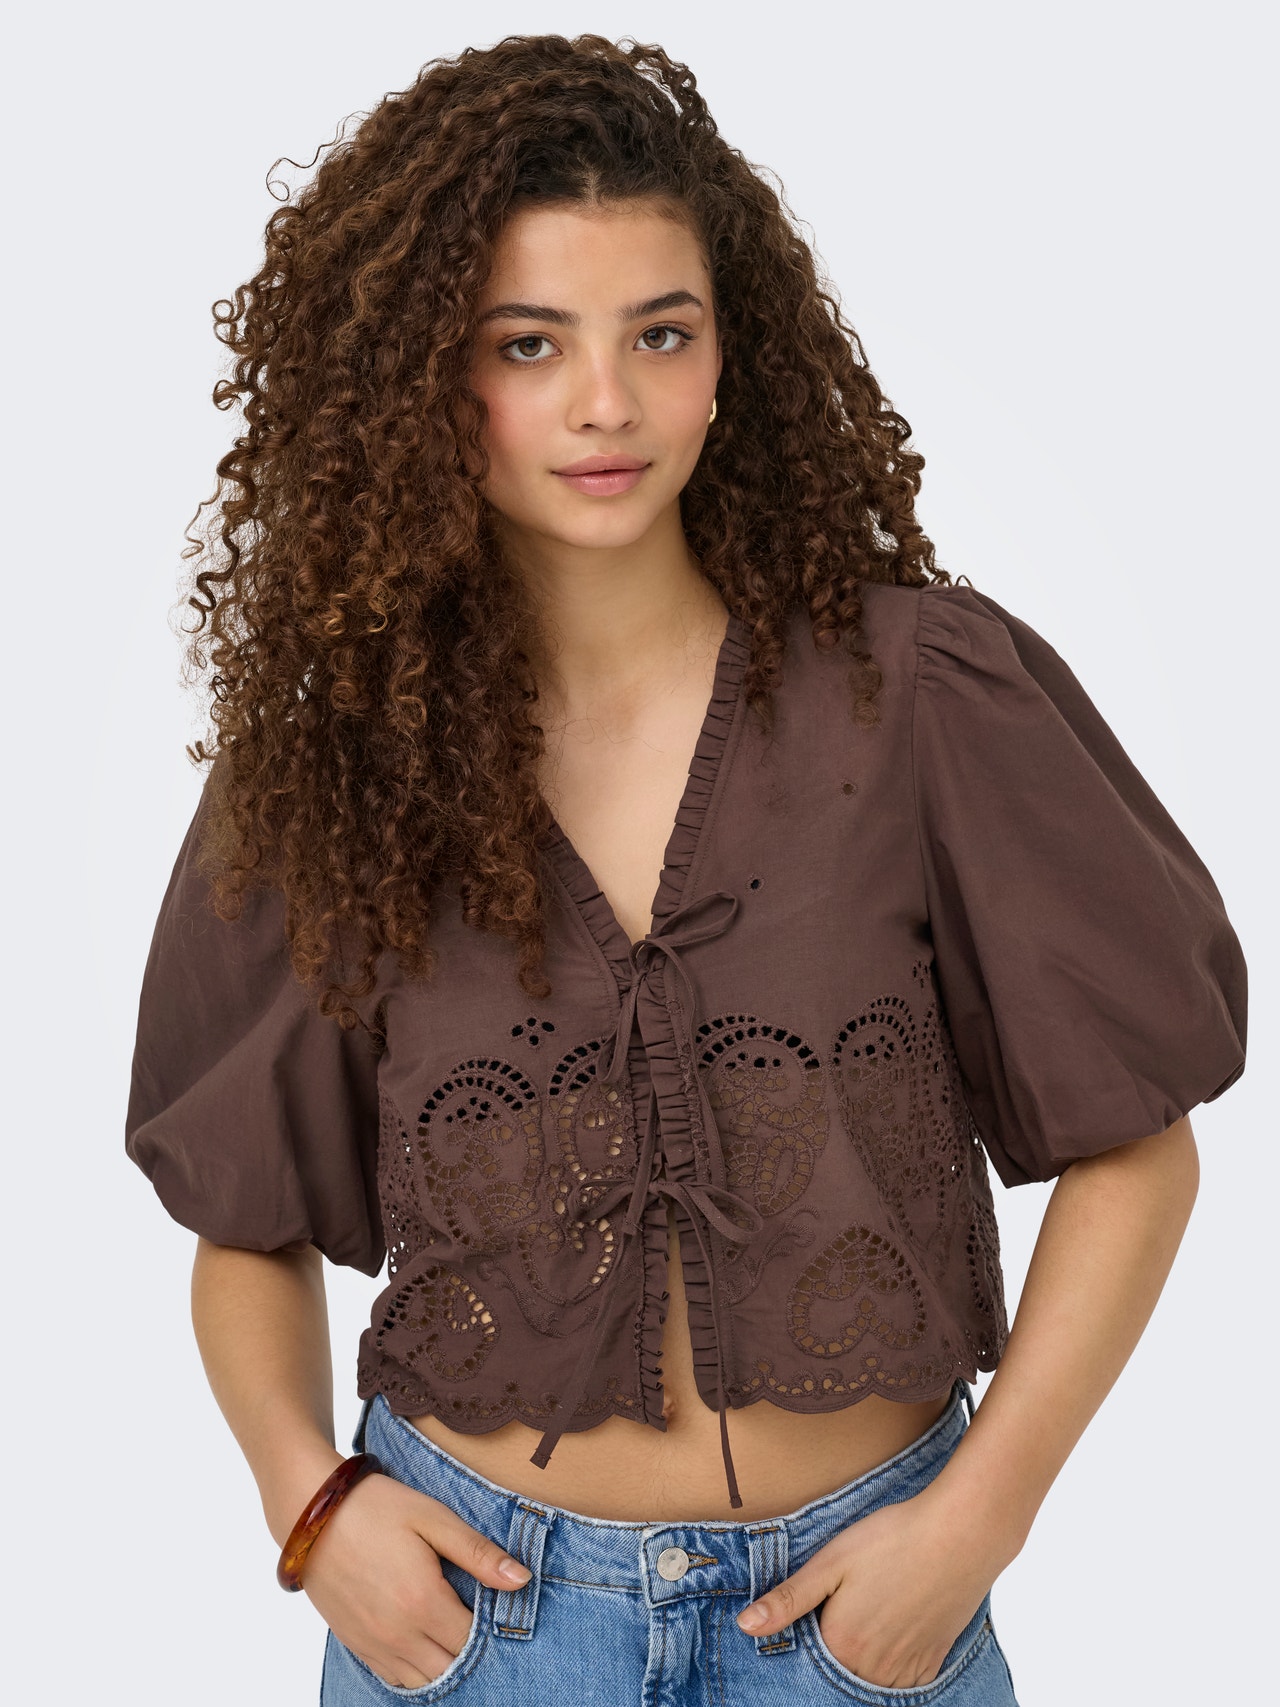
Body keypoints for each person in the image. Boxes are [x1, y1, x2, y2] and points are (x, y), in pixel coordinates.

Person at [124, 32, 1248, 1707]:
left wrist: (976, 1526)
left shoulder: (922, 695)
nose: (608, 402)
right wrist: (313, 1506)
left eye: (661, 333)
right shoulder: (337, 767)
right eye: (530, 344)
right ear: (429, 381)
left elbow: (1138, 1149)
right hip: (472, 1628)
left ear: (732, 355)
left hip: (862, 1621)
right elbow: (244, 1226)